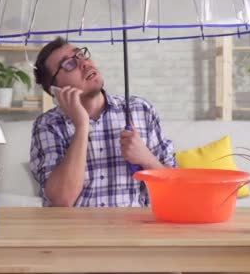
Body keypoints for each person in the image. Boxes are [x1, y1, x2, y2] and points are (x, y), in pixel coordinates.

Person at [29, 37, 176, 207]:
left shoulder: (141, 110)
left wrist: (147, 159)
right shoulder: (48, 125)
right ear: (56, 90)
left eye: (81, 55)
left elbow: (175, 187)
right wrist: (82, 126)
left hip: (134, 230)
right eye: (69, 64)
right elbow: (62, 199)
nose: (83, 63)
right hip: (76, 232)